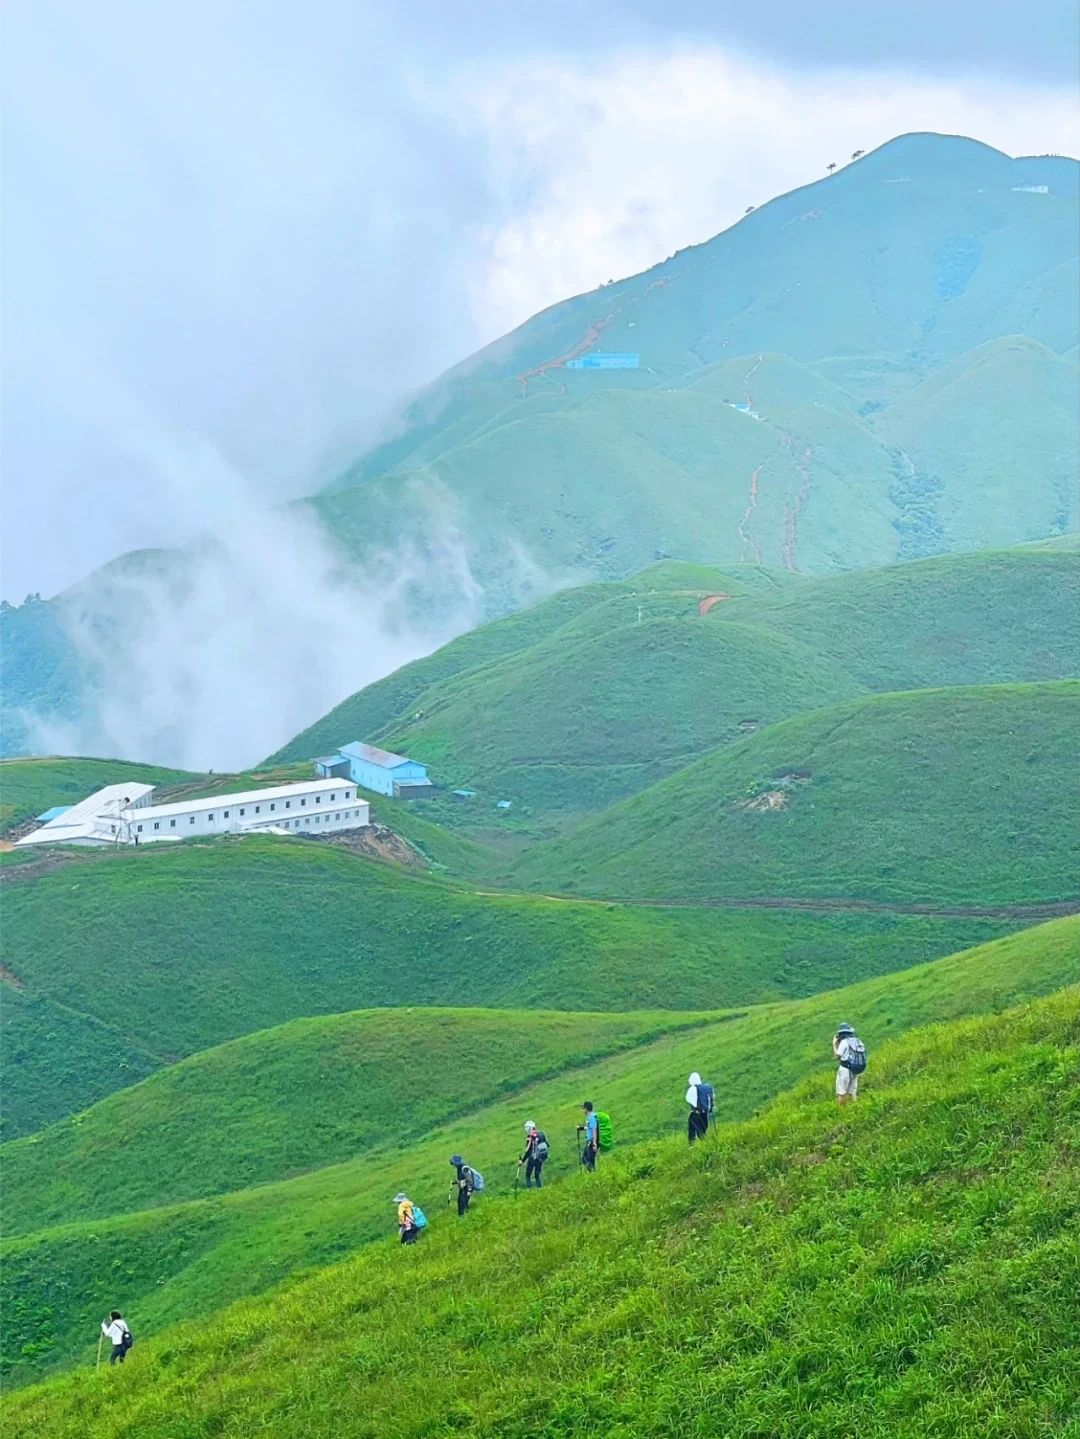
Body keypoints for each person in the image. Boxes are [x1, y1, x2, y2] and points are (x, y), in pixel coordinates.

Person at [833, 1023, 866, 1105]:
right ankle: (856, 1108)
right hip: (856, 1069)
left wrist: (834, 1044)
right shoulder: (858, 1041)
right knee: (852, 1092)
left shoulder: (844, 1042)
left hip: (845, 1069)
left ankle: (842, 1112)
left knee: (842, 1092)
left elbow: (837, 1055)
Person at [685, 1071, 714, 1143]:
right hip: (705, 1113)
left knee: (696, 1129)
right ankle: (699, 1143)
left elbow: (688, 1099)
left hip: (696, 1112)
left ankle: (694, 1144)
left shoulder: (693, 1088)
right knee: (702, 1128)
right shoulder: (706, 1088)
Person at [520, 1120, 549, 1188]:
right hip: (540, 1158)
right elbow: (547, 1145)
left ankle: (530, 1190)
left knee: (528, 1175)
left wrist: (522, 1161)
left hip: (532, 1159)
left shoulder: (529, 1137)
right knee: (537, 1175)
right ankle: (540, 1189)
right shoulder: (541, 1134)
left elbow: (528, 1151)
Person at [577, 1101, 598, 1171]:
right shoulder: (590, 1117)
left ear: (586, 1109)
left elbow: (594, 1129)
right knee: (585, 1158)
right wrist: (580, 1128)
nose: (583, 1110)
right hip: (590, 1141)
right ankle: (592, 1172)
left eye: (583, 1109)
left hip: (591, 1141)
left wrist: (594, 1143)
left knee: (588, 1159)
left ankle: (593, 1173)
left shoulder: (591, 1117)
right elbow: (589, 1128)